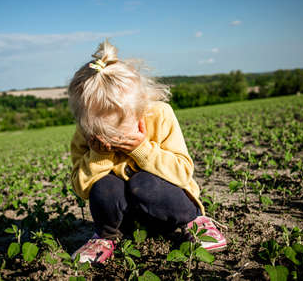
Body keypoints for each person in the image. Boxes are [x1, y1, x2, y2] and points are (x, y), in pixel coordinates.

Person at [67, 38, 226, 263]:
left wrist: (141, 148)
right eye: (104, 135)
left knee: (145, 183)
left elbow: (183, 172)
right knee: (103, 186)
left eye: (120, 133)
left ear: (140, 108)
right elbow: (81, 188)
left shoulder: (159, 115)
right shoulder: (86, 131)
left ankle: (195, 222)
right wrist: (99, 155)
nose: (114, 141)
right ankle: (106, 236)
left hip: (170, 206)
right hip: (129, 222)